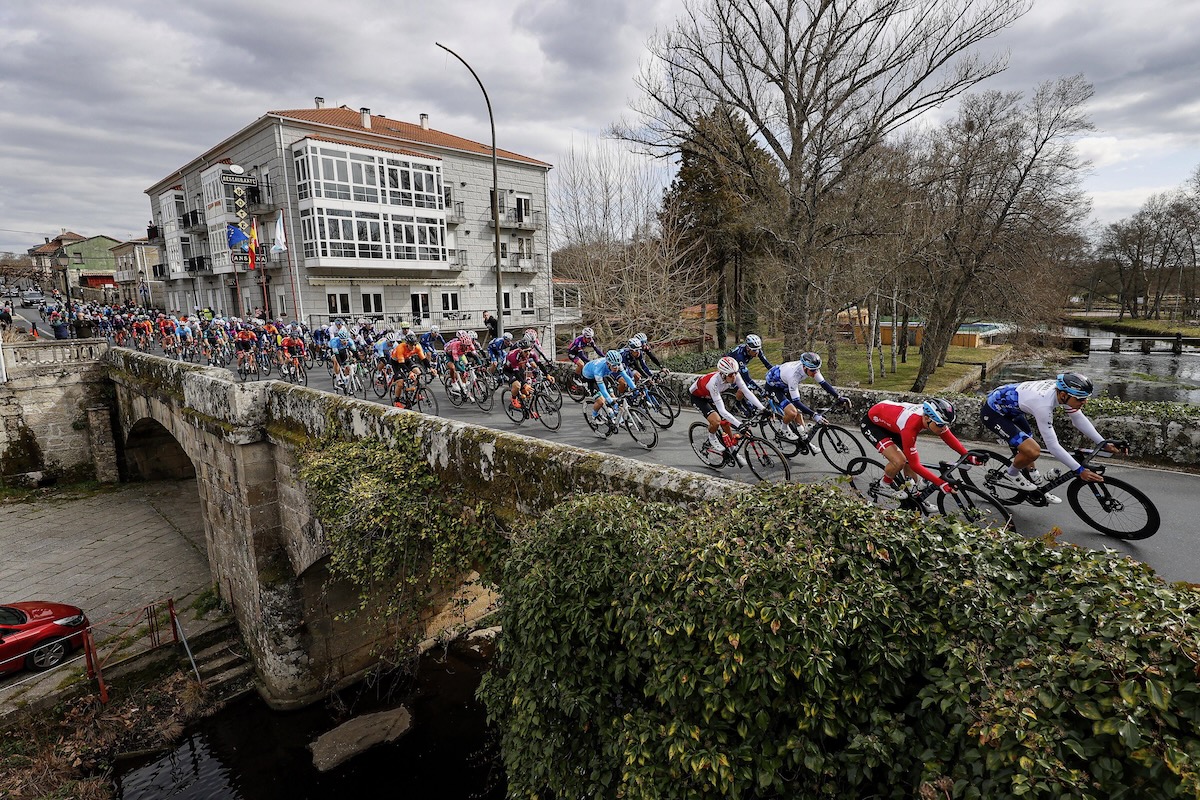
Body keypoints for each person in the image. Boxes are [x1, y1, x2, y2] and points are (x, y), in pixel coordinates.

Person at [979, 372, 1122, 503]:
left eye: (1086, 398)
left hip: (1012, 409)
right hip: (993, 413)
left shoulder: (1063, 392)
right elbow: (1053, 447)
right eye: (1081, 399)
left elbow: (1077, 418)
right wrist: (1080, 471)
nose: (1084, 402)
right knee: (1033, 450)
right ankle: (1012, 473)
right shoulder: (1043, 405)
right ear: (1064, 395)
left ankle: (1032, 476)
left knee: (1027, 444)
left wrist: (1103, 443)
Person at [859, 397, 979, 507]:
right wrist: (940, 483)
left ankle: (914, 496)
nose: (943, 428)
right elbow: (916, 465)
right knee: (900, 461)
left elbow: (948, 436)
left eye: (946, 425)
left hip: (893, 422)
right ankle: (884, 484)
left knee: (910, 461)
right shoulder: (910, 426)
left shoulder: (931, 418)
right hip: (873, 424)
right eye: (940, 425)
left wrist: (967, 455)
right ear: (926, 418)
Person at [763, 351, 852, 444]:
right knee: (792, 412)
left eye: (817, 369)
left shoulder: (812, 368)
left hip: (786, 384)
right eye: (813, 371)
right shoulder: (794, 376)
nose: (815, 373)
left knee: (799, 413)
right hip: (773, 386)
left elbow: (824, 384)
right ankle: (784, 428)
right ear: (805, 368)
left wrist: (839, 397)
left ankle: (805, 442)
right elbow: (796, 401)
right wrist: (814, 415)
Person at [688, 355, 766, 454]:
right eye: (730, 375)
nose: (734, 377)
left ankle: (732, 451)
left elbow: (746, 392)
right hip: (698, 398)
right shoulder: (713, 383)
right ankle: (711, 437)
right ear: (723, 374)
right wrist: (739, 426)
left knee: (725, 423)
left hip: (711, 396)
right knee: (716, 421)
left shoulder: (734, 374)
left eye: (735, 373)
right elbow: (722, 410)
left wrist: (763, 409)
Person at [581, 349, 640, 436]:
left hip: (602, 376)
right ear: (608, 363)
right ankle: (594, 416)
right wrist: (611, 402)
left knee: (613, 396)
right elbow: (603, 389)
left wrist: (636, 389)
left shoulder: (617, 365)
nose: (616, 368)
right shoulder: (599, 369)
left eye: (617, 365)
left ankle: (616, 417)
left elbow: (626, 377)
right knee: (601, 400)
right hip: (589, 377)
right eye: (614, 366)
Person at [725, 334, 772, 411]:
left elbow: (767, 364)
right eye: (754, 350)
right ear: (748, 348)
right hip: (729, 370)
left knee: (749, 387)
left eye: (758, 349)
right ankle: (737, 405)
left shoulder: (756, 350)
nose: (757, 353)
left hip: (738, 367)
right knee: (743, 389)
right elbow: (747, 378)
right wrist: (761, 391)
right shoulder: (739, 356)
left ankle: (749, 406)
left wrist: (776, 372)